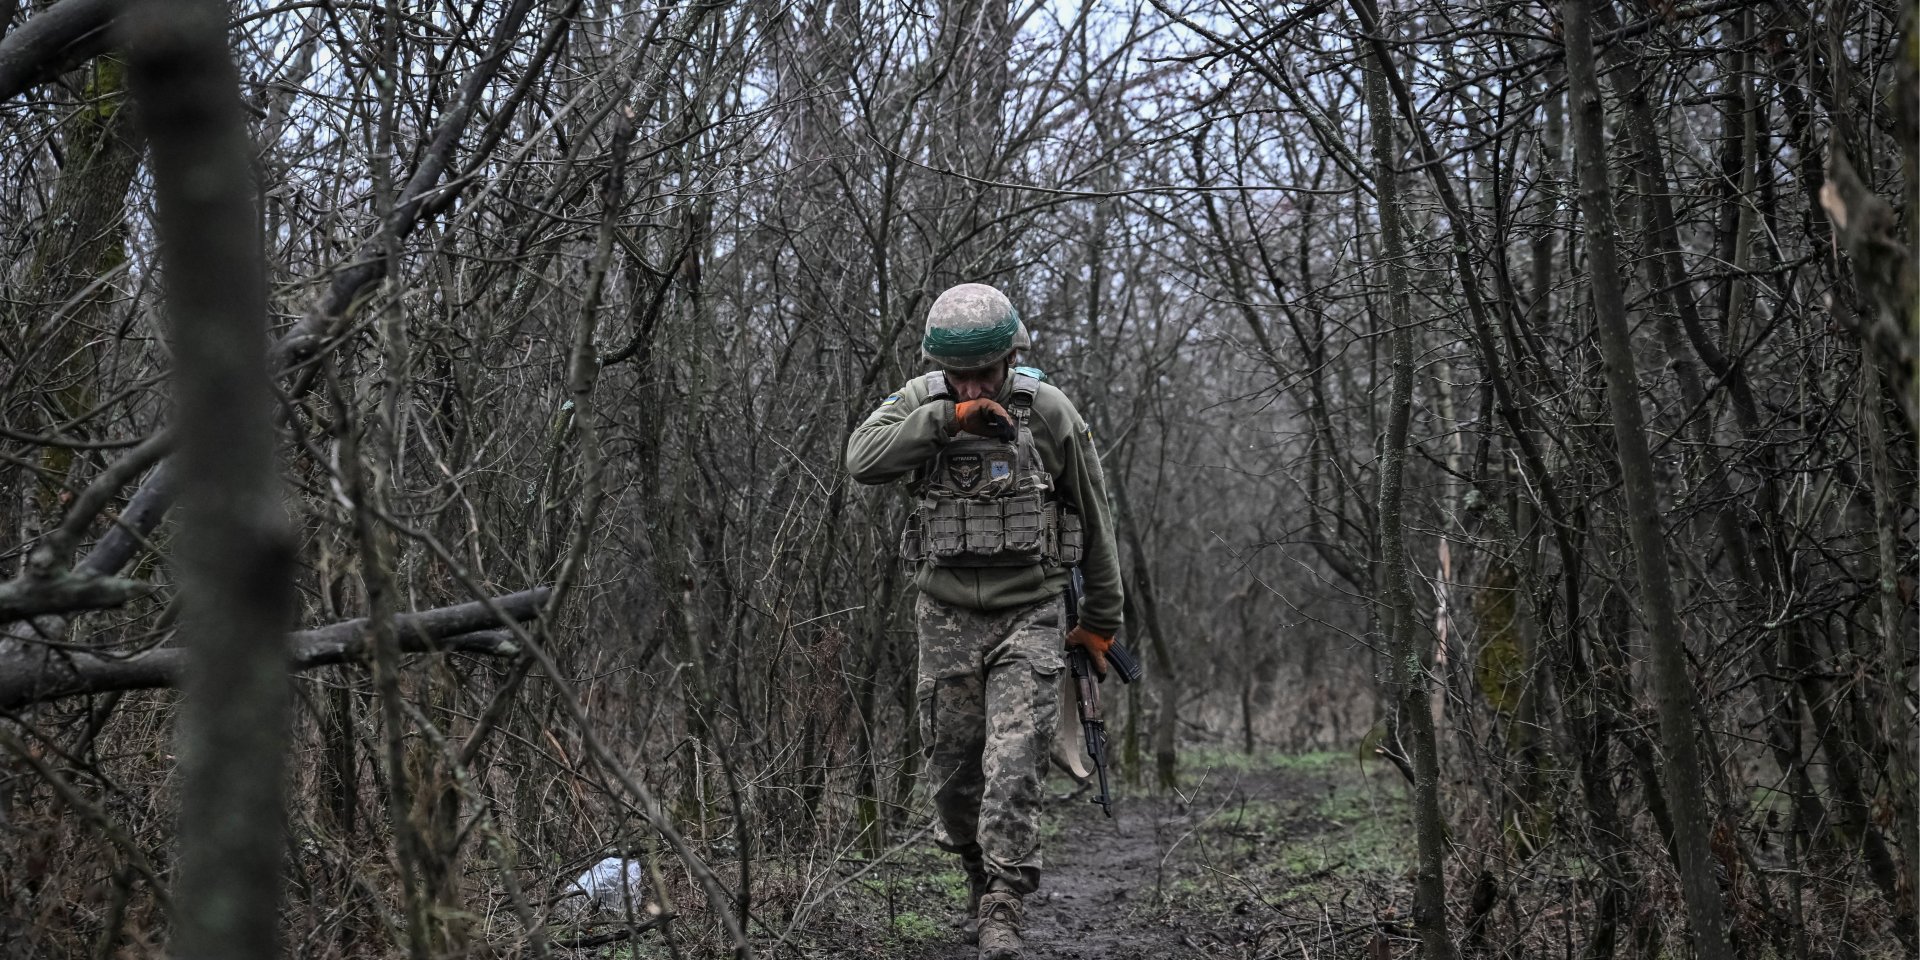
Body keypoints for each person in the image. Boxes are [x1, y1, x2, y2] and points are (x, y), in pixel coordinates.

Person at [845, 282, 1124, 960]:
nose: (973, 383)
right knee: (952, 773)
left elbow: (1095, 521)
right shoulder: (919, 403)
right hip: (945, 618)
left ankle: (1003, 903)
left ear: (1010, 358)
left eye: (985, 372)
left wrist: (1098, 622)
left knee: (1013, 766)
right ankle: (975, 871)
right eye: (959, 372)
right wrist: (948, 419)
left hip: (1029, 613)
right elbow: (861, 460)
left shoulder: (1049, 411)